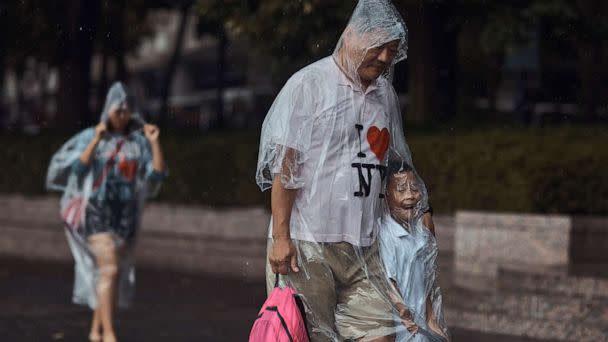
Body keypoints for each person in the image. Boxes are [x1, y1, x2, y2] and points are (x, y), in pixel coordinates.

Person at [255, 1, 424, 340]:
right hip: (308, 244)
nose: (384, 58)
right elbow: (286, 166)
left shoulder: (384, 95)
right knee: (313, 335)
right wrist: (282, 238)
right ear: (352, 36)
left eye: (392, 51)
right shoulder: (309, 85)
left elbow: (393, 162)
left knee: (379, 334)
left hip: (364, 246)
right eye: (378, 47)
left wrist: (420, 209)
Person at [46, 82, 167, 342]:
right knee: (110, 269)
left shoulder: (138, 142)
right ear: (107, 111)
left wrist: (154, 143)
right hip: (96, 213)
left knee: (110, 274)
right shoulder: (93, 135)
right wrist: (95, 141)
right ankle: (110, 334)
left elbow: (156, 175)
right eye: (117, 110)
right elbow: (76, 172)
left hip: (125, 219)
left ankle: (95, 331)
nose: (121, 115)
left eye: (126, 110)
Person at [379, 161, 449, 342]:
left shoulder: (420, 235)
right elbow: (388, 282)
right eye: (401, 189)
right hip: (400, 332)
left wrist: (434, 325)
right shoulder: (387, 234)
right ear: (386, 195)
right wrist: (401, 307)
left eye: (414, 188)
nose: (410, 195)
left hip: (420, 334)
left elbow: (424, 288)